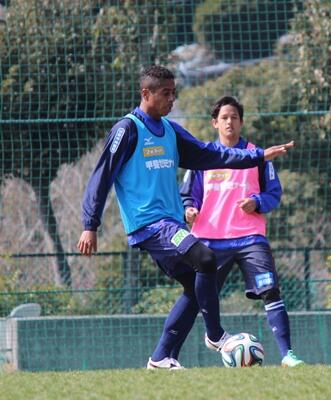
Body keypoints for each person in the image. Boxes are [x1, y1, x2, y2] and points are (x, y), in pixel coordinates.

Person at [77, 66, 294, 370]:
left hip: (171, 224)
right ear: (145, 94)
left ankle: (162, 357)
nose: (172, 99)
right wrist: (90, 225)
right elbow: (102, 177)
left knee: (196, 289)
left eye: (174, 92)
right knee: (205, 258)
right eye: (165, 93)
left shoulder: (170, 130)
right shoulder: (127, 129)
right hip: (150, 224)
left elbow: (210, 154)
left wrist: (256, 156)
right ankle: (216, 336)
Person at [180, 96, 304, 367]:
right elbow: (188, 196)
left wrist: (256, 202)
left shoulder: (258, 155)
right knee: (195, 296)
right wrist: (189, 210)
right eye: (224, 117)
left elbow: (273, 193)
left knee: (270, 290)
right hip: (210, 241)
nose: (229, 122)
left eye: (234, 117)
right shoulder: (203, 157)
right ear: (214, 123)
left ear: (241, 121)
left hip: (250, 238)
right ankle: (176, 352)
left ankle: (288, 355)